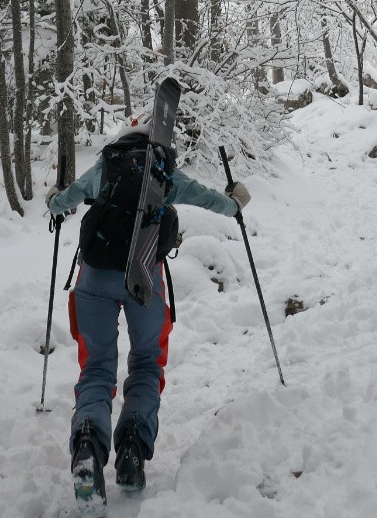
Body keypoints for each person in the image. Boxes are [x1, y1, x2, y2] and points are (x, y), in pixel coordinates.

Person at [46, 128, 250, 506]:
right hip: (144, 281)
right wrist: (236, 201)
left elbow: (63, 203)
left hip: (93, 280)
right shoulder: (165, 172)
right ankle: (132, 449)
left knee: (96, 369)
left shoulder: (107, 165)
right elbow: (213, 201)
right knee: (146, 365)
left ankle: (88, 446)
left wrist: (54, 198)